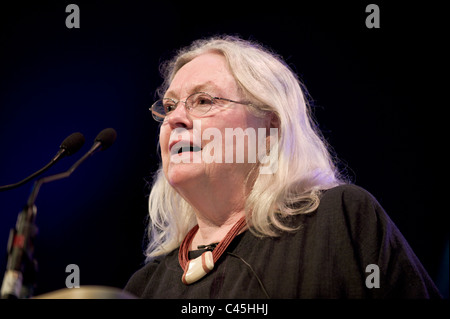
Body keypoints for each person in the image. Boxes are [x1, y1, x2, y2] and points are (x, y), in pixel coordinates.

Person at [124, 35, 442, 298]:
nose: (174, 119)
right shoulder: (144, 286)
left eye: (204, 100)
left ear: (269, 130)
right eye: (168, 106)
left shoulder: (341, 220)